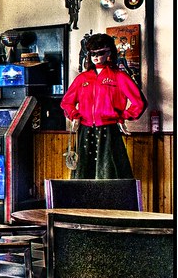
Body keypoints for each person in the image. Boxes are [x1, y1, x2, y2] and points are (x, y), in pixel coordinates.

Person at [60, 33, 146, 179]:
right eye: (92, 53)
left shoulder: (119, 76)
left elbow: (139, 103)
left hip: (109, 130)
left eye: (100, 53)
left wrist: (121, 116)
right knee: (83, 175)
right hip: (85, 131)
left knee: (110, 174)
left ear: (109, 53)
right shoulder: (83, 78)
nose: (95, 57)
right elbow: (66, 102)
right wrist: (74, 115)